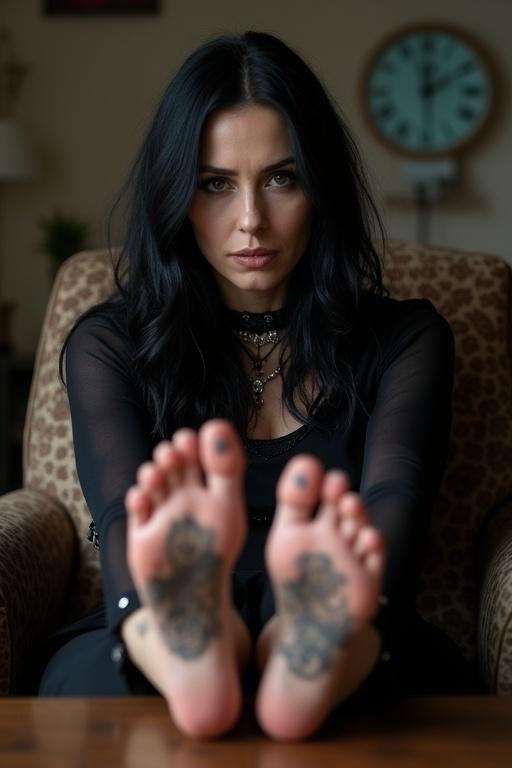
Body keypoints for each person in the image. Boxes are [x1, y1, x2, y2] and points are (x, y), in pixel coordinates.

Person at [37, 30, 473, 740]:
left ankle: (309, 641)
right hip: (156, 613)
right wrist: (160, 611)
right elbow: (122, 516)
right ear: (176, 194)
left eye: (282, 178)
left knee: (372, 643)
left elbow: (397, 499)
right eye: (215, 184)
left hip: (345, 615)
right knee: (120, 648)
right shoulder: (111, 342)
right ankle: (187, 645)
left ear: (320, 187)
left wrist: (339, 610)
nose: (250, 220)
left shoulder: (405, 339)